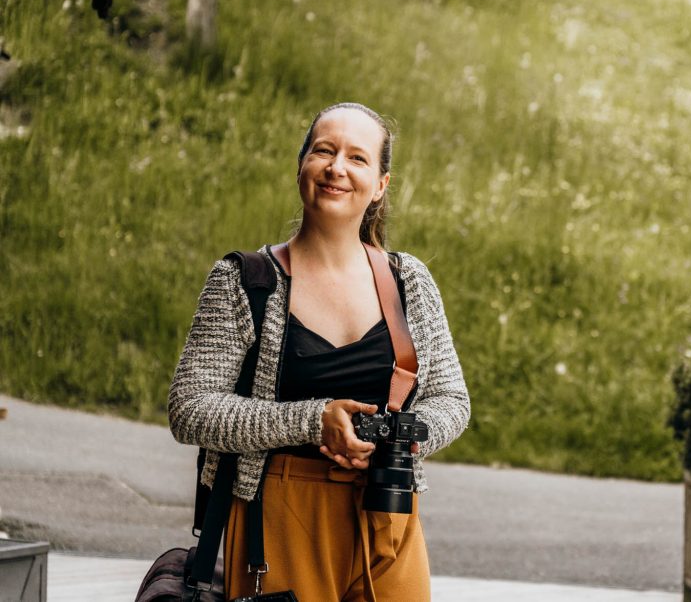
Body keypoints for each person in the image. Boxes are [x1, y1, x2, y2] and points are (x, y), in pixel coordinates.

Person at [167, 102, 470, 601]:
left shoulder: (409, 281)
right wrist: (314, 420)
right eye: (324, 151)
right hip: (280, 513)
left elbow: (451, 400)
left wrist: (401, 436)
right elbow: (190, 409)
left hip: (390, 511)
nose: (336, 168)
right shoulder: (244, 282)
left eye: (357, 158)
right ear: (301, 166)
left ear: (380, 185)